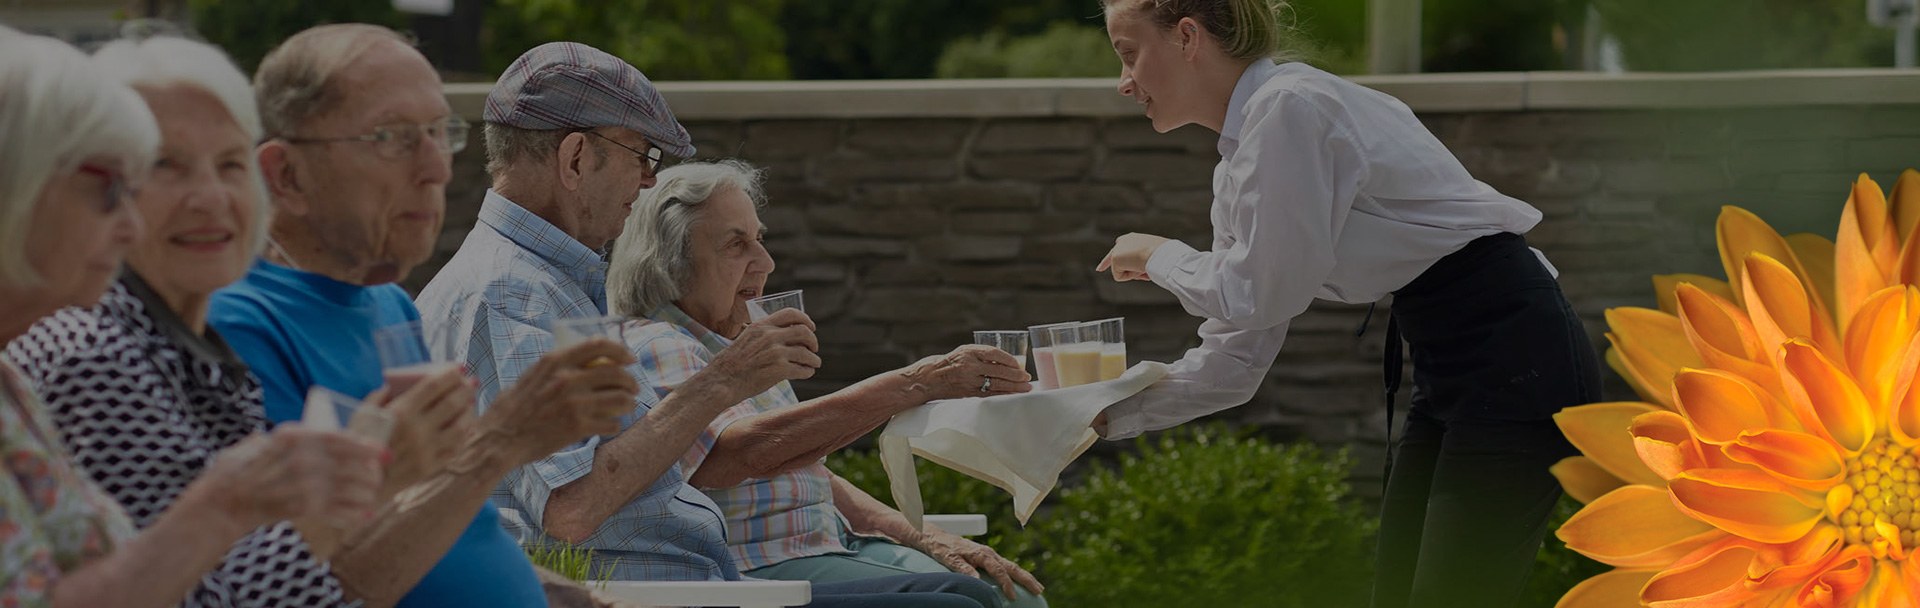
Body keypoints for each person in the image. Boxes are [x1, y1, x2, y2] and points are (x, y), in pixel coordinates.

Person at [415, 41, 1002, 608]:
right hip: (659, 594)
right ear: (574, 159)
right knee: (959, 603)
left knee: (967, 594)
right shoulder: (514, 293)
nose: (647, 181)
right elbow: (571, 506)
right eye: (641, 155)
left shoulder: (547, 285)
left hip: (699, 579)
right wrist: (722, 382)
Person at [1089, 2, 1602, 607]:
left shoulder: (1291, 108)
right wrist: (1101, 414)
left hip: (1514, 352)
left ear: (1187, 37)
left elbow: (1259, 293)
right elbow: (1235, 360)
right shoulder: (1243, 162)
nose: (1124, 82)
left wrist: (1158, 256)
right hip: (1454, 360)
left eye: (1128, 54)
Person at [206, 25, 636, 607]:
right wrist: (503, 441)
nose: (436, 168)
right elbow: (295, 587)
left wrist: (565, 596)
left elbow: (450, 528)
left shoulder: (390, 307)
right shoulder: (239, 328)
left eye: (439, 132)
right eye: (392, 137)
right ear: (286, 176)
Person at [0, 27, 383, 607]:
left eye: (231, 165)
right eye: (116, 186)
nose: (127, 224)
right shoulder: (87, 349)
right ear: (16, 186)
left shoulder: (188, 350)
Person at [609, 160, 1046, 608]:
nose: (765, 261)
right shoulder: (660, 343)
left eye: (759, 239)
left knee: (1017, 600)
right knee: (972, 603)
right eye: (735, 245)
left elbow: (805, 469)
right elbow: (741, 454)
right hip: (761, 566)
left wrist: (923, 535)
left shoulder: (734, 342)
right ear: (670, 263)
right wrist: (918, 383)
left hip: (828, 544)